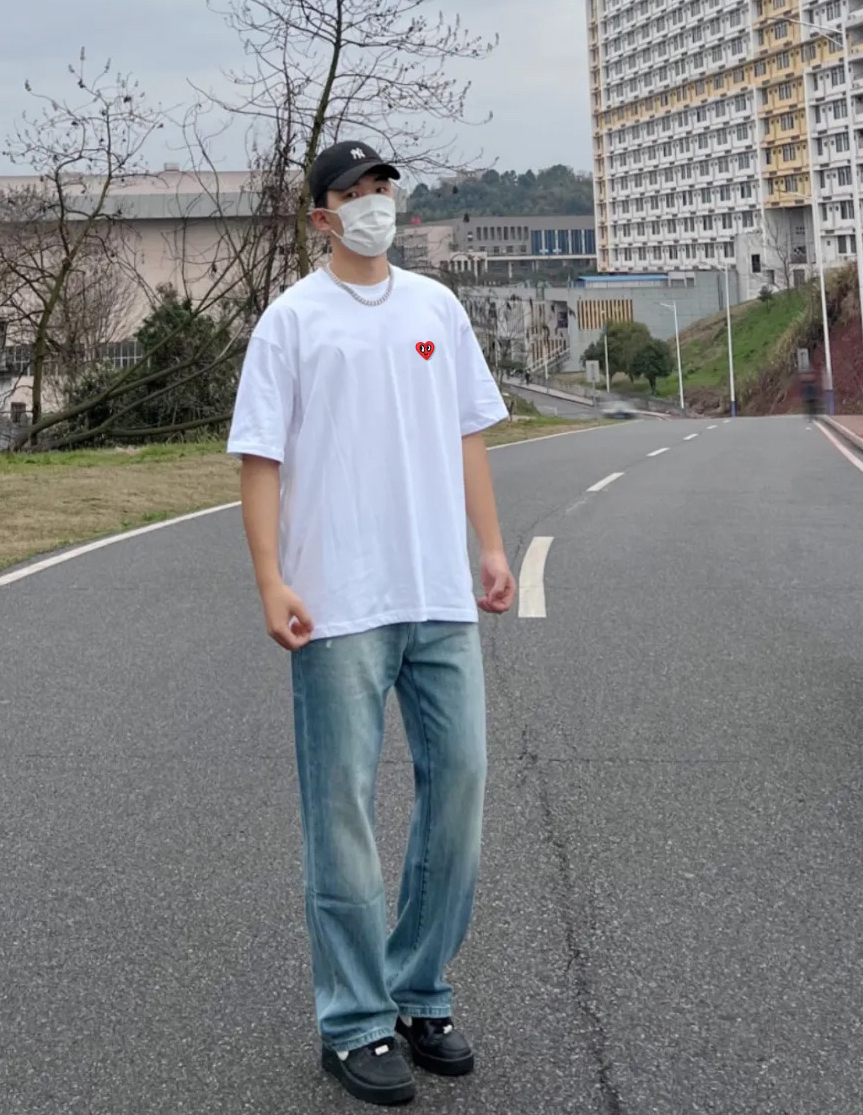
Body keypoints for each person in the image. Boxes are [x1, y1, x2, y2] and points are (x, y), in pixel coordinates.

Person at [227, 140, 515, 1106]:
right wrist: (270, 580)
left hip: (438, 594)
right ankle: (354, 1019)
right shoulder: (292, 320)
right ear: (322, 216)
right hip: (339, 603)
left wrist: (491, 546)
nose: (374, 202)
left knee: (460, 788)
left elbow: (467, 433)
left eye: (383, 186)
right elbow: (259, 457)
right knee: (341, 810)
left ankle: (419, 988)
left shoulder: (437, 308)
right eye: (354, 191)